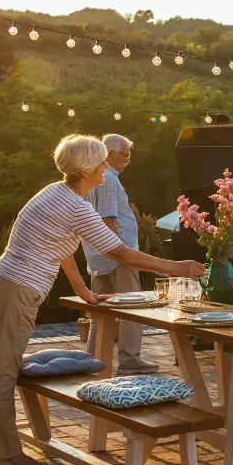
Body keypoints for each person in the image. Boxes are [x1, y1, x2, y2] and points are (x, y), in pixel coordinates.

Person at [0, 134, 204, 465]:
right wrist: (177, 267)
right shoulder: (75, 205)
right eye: (101, 162)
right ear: (87, 169)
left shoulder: (57, 192)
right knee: (3, 370)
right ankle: (8, 456)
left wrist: (83, 290)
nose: (106, 166)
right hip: (18, 287)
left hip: (3, 280)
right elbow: (120, 253)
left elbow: (63, 247)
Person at [84, 134, 158, 374]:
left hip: (96, 254)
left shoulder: (91, 179)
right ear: (110, 154)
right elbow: (106, 217)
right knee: (131, 307)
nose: (128, 160)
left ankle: (93, 360)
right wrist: (120, 253)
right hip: (117, 256)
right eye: (125, 155)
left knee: (100, 313)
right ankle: (130, 359)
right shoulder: (109, 179)